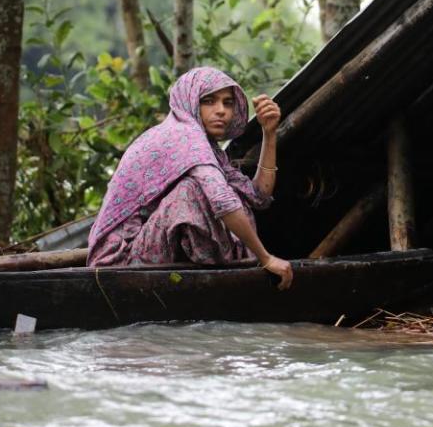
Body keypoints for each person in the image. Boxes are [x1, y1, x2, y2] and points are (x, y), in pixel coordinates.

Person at [86, 66, 293, 290]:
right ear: (190, 101)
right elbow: (222, 201)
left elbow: (259, 196)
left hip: (145, 249)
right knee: (193, 190)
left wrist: (269, 133)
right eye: (209, 101)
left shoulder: (210, 149)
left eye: (227, 102)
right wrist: (266, 258)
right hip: (118, 261)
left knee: (235, 196)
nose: (221, 110)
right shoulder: (183, 135)